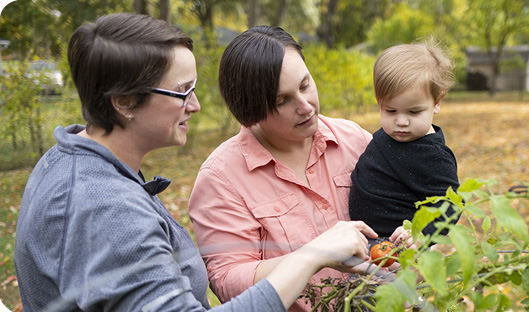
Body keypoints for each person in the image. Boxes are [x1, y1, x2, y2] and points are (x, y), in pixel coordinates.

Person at [14, 13, 377, 312]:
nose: (196, 105)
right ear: (124, 102)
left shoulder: (70, 159)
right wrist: (312, 255)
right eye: (181, 92)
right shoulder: (106, 208)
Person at [188, 26, 376, 311]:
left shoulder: (356, 141)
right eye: (282, 101)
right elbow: (228, 281)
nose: (305, 107)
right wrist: (313, 255)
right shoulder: (221, 178)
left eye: (305, 85)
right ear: (249, 110)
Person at [348, 40, 460, 247]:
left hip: (396, 248)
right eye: (390, 111)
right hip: (366, 243)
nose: (401, 121)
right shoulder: (390, 134)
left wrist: (421, 234)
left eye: (414, 112)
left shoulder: (432, 155)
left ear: (437, 102)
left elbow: (451, 205)